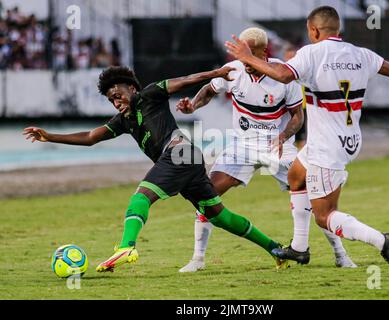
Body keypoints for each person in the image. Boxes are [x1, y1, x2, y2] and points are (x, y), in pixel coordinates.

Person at [225, 6, 389, 278]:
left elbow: (282, 75)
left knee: (324, 215)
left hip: (328, 146)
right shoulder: (361, 54)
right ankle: (299, 247)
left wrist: (246, 57)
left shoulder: (311, 53)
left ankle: (382, 241)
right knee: (296, 175)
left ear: (313, 30)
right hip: (345, 137)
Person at [23, 66, 289, 272]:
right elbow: (92, 136)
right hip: (188, 159)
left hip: (180, 154)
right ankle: (275, 249)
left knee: (140, 197)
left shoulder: (149, 95)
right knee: (218, 215)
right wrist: (50, 136)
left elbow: (184, 80)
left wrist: (215, 73)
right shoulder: (123, 120)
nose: (116, 102)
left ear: (131, 88)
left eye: (118, 95)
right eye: (111, 100)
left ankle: (127, 247)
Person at [176, 28, 356, 273]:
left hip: (277, 147)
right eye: (242, 54)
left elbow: (298, 117)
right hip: (242, 146)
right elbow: (209, 89)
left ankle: (340, 254)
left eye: (251, 54)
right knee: (206, 196)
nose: (246, 61)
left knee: (316, 198)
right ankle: (198, 259)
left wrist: (283, 136)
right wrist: (193, 104)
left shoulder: (283, 75)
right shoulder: (234, 71)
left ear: (265, 51)